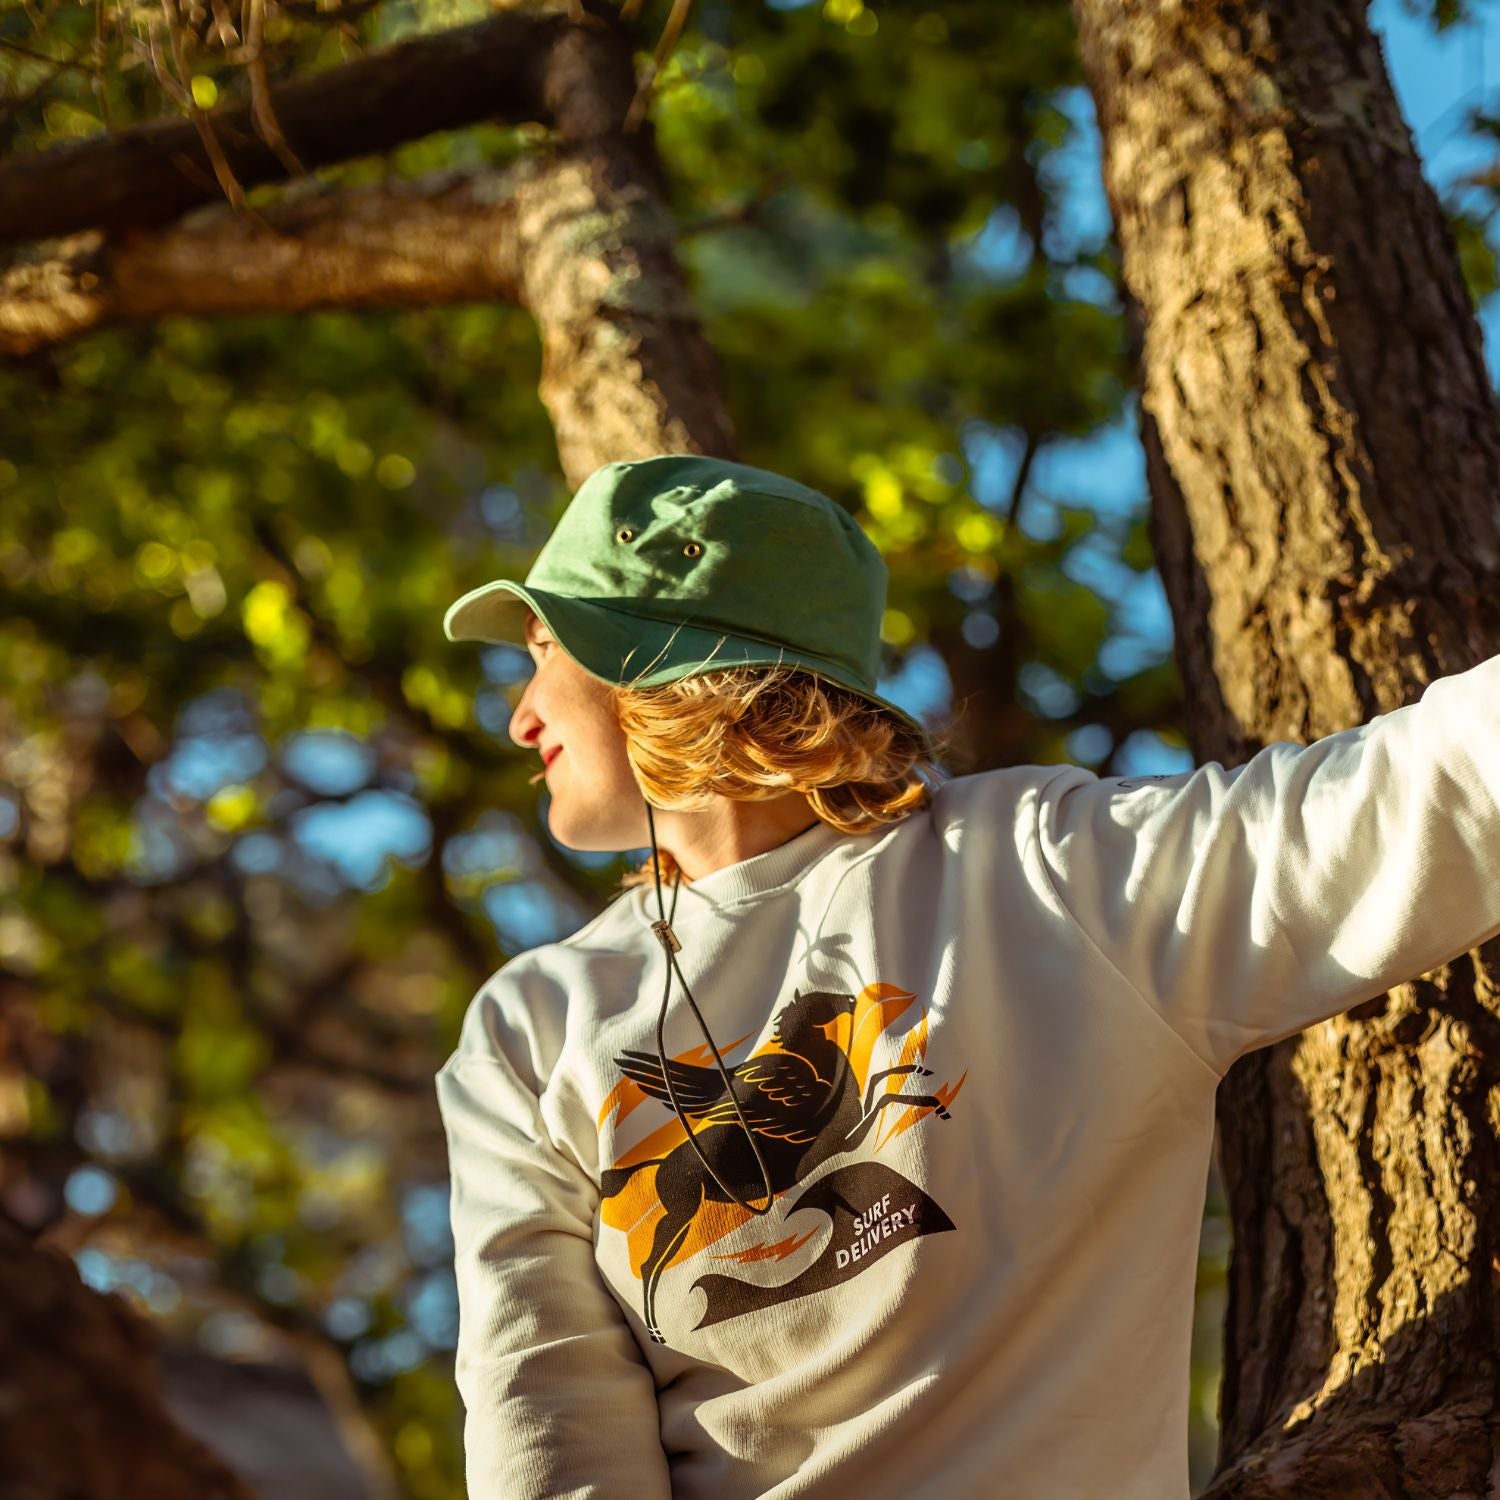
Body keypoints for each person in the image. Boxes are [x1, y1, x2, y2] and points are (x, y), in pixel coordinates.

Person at [434, 453, 1500, 1499]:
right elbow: (545, 1419)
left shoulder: (1039, 874)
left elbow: (1419, 794)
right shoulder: (531, 1026)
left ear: (646, 658)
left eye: (542, 651)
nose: (519, 715)